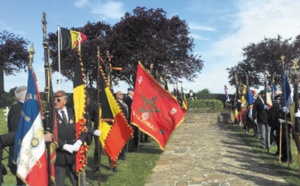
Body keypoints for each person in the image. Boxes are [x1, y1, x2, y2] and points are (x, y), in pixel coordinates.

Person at [54, 90, 89, 186]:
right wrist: (64, 146)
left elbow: (83, 128)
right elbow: (51, 134)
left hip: (74, 152)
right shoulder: (52, 115)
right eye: (54, 100)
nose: (55, 102)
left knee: (77, 180)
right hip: (60, 153)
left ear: (65, 101)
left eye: (58, 100)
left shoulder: (73, 112)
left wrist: (79, 142)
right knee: (59, 181)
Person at [267, 90, 292, 162]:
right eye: (277, 99)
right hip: (278, 127)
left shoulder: (285, 107)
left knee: (286, 143)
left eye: (279, 99)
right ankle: (283, 156)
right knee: (282, 143)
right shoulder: (278, 107)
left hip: (285, 128)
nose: (278, 100)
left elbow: (289, 117)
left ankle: (288, 158)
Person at [116, 90, 129, 159]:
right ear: (117, 95)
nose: (122, 95)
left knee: (124, 139)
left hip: (125, 123)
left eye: (122, 94)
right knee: (120, 139)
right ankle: (120, 154)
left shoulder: (123, 102)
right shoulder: (116, 103)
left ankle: (123, 153)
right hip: (120, 124)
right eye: (120, 94)